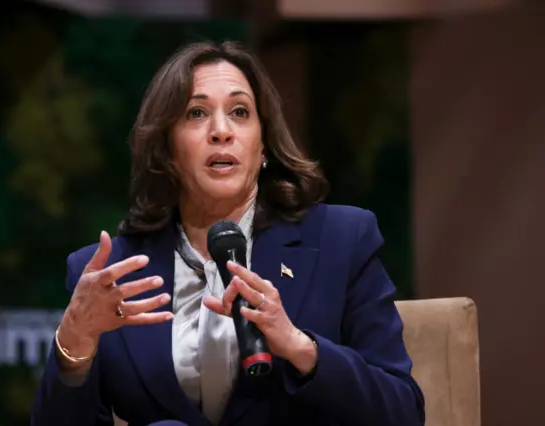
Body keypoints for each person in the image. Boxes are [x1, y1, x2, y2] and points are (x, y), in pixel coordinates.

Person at [31, 41, 425, 426]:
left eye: (239, 111)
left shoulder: (341, 240)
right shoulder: (111, 273)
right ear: (166, 148)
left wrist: (301, 347)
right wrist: (73, 347)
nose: (221, 131)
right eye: (196, 113)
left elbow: (403, 412)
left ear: (263, 145)